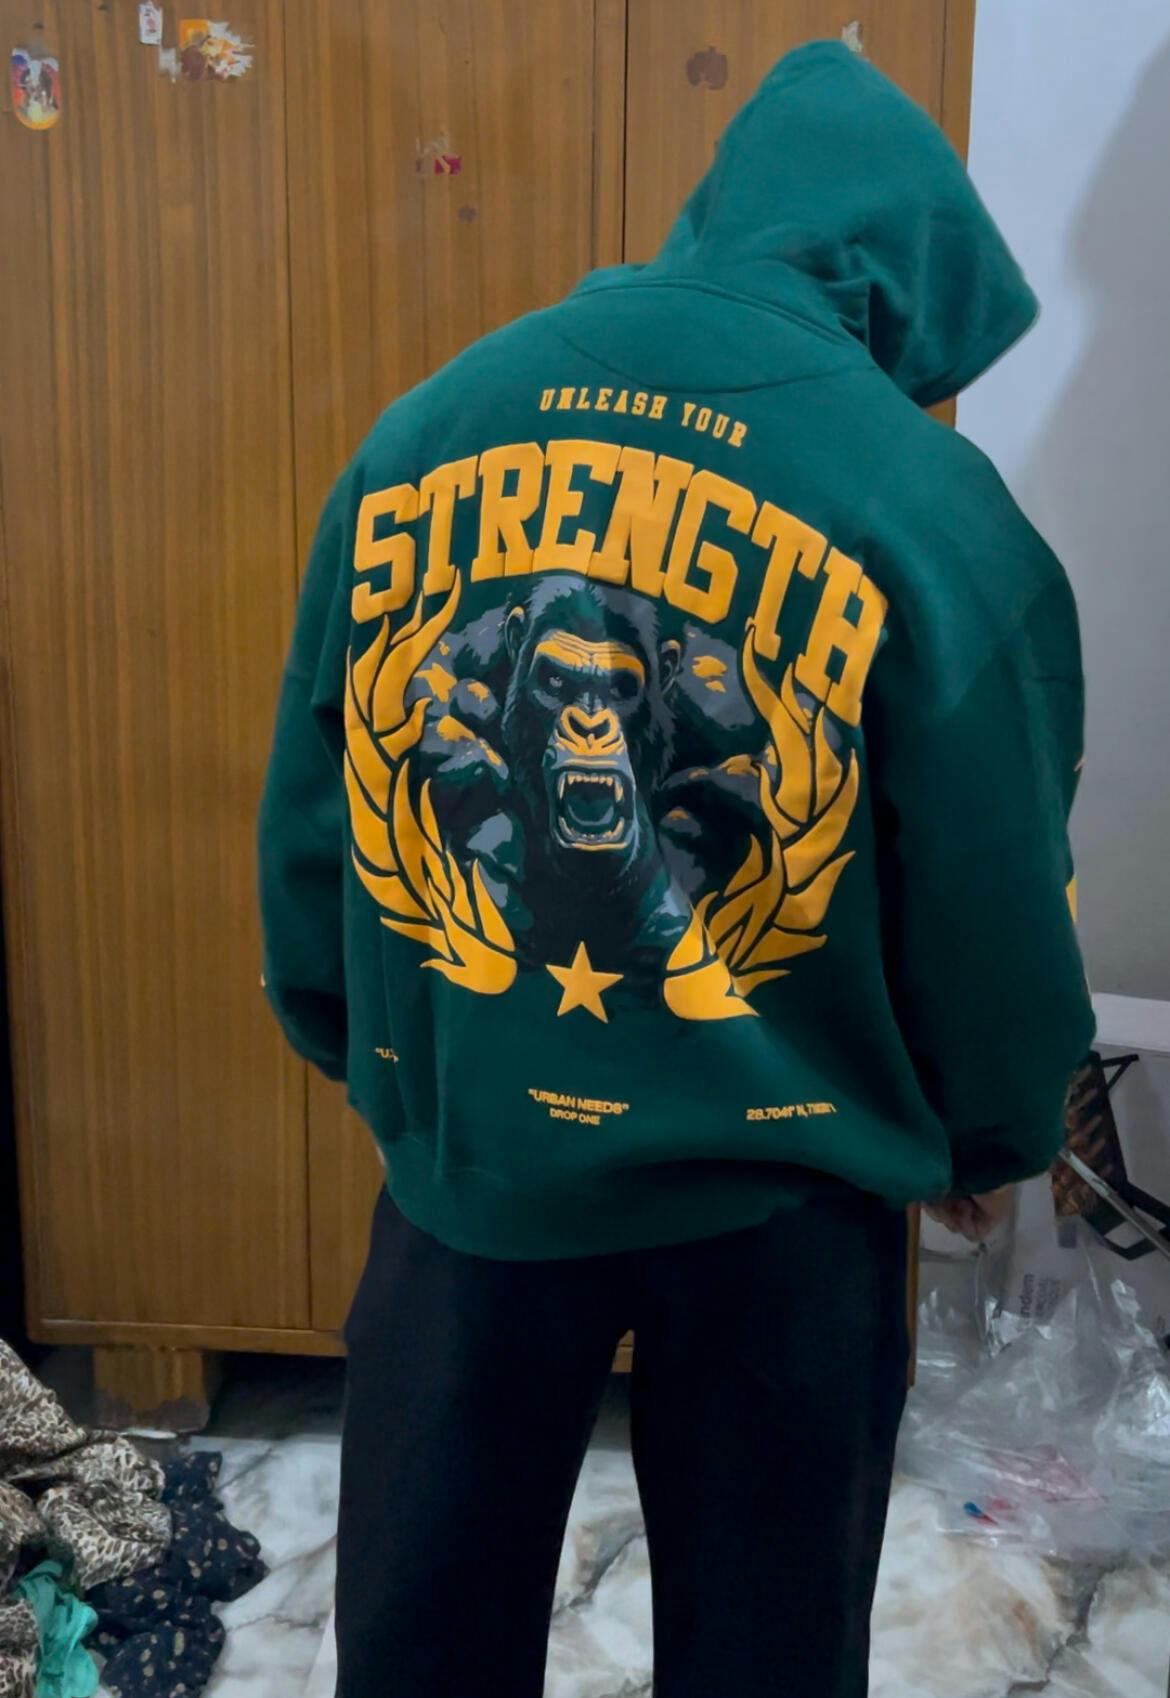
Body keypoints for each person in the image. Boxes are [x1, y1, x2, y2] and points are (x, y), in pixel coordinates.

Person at [258, 42, 1093, 1698]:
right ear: (898, 285)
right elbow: (992, 888)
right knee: (769, 1649)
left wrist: (381, 1053)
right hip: (786, 1202)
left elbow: (316, 807)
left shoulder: (425, 431)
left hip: (478, 1172)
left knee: (421, 1638)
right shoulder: (929, 501)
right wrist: (987, 1129)